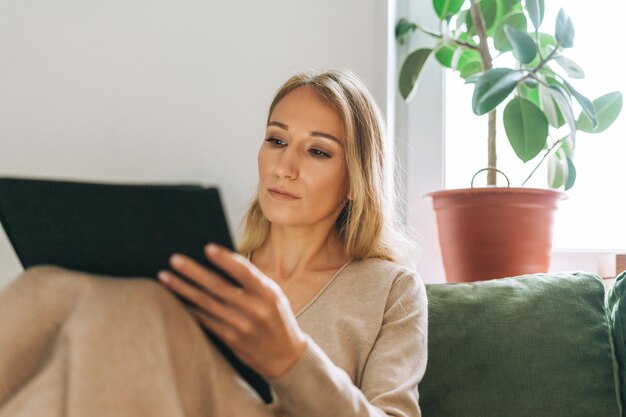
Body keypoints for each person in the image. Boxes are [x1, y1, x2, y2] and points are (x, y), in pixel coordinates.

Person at [0, 68, 427, 417]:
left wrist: (293, 359)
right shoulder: (212, 270)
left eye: (317, 152)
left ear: (355, 179)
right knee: (48, 284)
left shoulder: (392, 290)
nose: (284, 166)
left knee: (139, 304)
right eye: (276, 140)